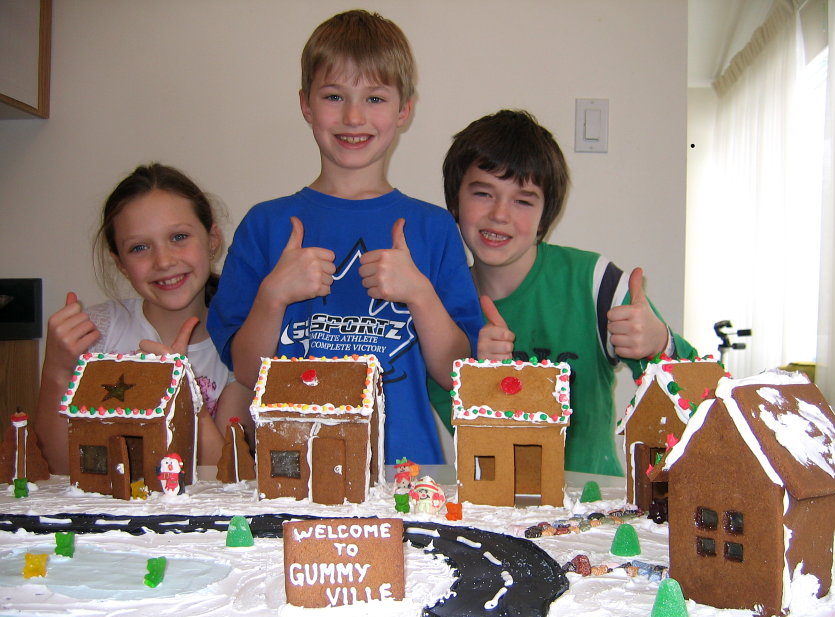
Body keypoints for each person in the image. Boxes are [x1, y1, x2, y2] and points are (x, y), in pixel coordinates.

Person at [207, 10, 481, 465]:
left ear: (404, 109)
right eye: (334, 96)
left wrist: (419, 294)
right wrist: (273, 296)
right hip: (293, 469)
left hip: (406, 469)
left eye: (375, 98)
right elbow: (247, 373)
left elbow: (456, 375)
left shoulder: (433, 228)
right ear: (306, 105)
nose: (354, 116)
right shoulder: (264, 224)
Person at [429, 110, 698, 476]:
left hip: (595, 501)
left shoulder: (596, 284)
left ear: (546, 215)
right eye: (483, 193)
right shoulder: (436, 313)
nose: (500, 214)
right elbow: (472, 440)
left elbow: (702, 403)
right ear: (455, 201)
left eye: (523, 200)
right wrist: (479, 377)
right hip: (487, 503)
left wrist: (660, 343)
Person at [35, 164, 252, 474]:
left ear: (212, 238)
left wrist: (185, 394)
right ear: (120, 263)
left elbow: (228, 479)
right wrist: (57, 370)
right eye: (139, 247)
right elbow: (58, 471)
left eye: (179, 237)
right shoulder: (94, 334)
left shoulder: (241, 346)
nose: (163, 261)